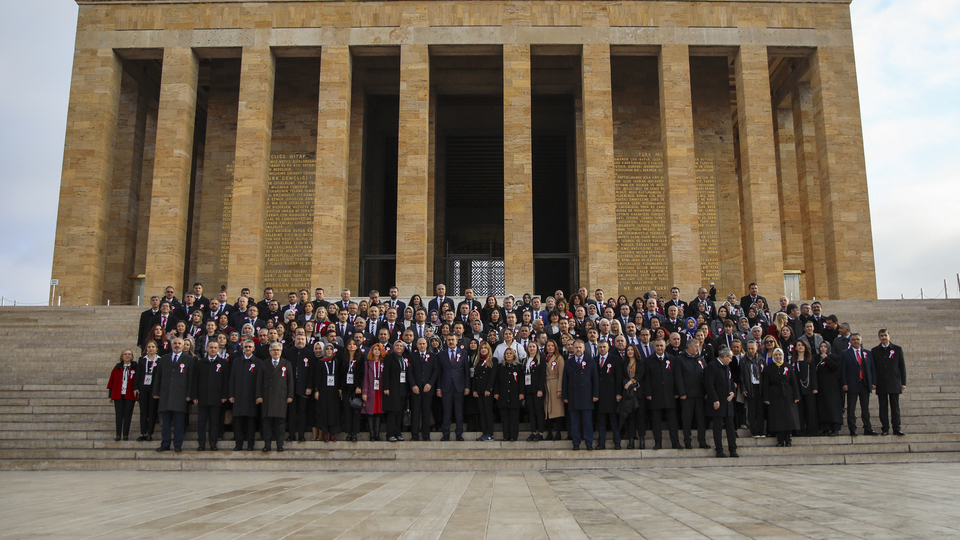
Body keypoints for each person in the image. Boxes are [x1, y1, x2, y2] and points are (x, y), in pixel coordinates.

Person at [152, 337, 195, 452]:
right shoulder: (164, 359)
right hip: (166, 395)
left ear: (183, 346)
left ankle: (177, 445)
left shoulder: (189, 359)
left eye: (179, 343)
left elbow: (191, 378)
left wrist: (189, 394)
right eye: (175, 343)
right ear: (171, 345)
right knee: (165, 423)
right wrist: (156, 392)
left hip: (180, 395)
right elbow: (158, 376)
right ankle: (165, 444)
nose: (177, 345)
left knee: (179, 423)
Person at [644, 338, 685, 450]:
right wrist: (648, 393)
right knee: (656, 421)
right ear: (654, 347)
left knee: (672, 421)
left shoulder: (672, 359)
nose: (659, 348)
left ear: (665, 346)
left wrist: (677, 392)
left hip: (670, 394)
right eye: (657, 346)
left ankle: (675, 443)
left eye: (661, 345)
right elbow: (647, 378)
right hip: (655, 394)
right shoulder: (648, 361)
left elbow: (677, 377)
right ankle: (658, 443)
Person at [562, 340, 599, 451]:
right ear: (573, 348)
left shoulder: (591, 361)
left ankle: (589, 443)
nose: (578, 349)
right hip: (573, 395)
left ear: (584, 348)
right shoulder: (568, 362)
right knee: (574, 422)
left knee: (587, 422)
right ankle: (576, 442)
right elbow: (565, 380)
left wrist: (595, 394)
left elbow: (595, 379)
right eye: (576, 347)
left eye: (580, 347)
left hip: (587, 395)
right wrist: (565, 396)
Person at [192, 341, 228, 451]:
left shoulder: (223, 363)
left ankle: (213, 443)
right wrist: (195, 396)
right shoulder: (200, 363)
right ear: (207, 349)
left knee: (214, 422)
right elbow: (195, 380)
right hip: (202, 397)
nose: (213, 349)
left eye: (215, 348)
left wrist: (224, 395)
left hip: (216, 398)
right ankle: (201, 443)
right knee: (201, 422)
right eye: (211, 347)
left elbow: (226, 381)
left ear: (218, 350)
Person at [871, 329, 907, 436]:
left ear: (889, 336)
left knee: (895, 407)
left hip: (894, 382)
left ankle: (897, 428)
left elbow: (902, 367)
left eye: (885, 335)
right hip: (881, 382)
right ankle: (885, 428)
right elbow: (873, 368)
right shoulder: (875, 351)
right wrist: (874, 382)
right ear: (879, 337)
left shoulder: (897, 349)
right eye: (881, 336)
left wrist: (903, 382)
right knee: (883, 407)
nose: (884, 337)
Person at [841, 332, 877, 436]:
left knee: (865, 407)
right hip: (852, 383)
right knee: (851, 408)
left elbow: (872, 368)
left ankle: (868, 428)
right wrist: (844, 383)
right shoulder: (845, 353)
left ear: (861, 341)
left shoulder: (867, 353)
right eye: (853, 339)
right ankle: (852, 429)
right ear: (850, 342)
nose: (856, 341)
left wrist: (873, 382)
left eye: (857, 339)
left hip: (864, 383)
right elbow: (843, 370)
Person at [259, 342, 294, 452]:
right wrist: (259, 396)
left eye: (278, 350)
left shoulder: (286, 363)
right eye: (274, 350)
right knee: (267, 423)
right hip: (267, 397)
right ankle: (267, 445)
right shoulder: (264, 364)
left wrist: (290, 395)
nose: (276, 352)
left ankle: (279, 445)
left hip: (281, 397)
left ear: (281, 351)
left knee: (280, 424)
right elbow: (259, 381)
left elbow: (290, 381)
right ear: (270, 352)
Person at [762, 348, 800, 447]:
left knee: (788, 416)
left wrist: (796, 395)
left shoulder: (788, 367)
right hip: (775, 394)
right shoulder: (769, 368)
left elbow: (794, 382)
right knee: (777, 417)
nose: (778, 357)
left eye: (779, 355)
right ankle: (780, 439)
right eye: (776, 355)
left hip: (788, 393)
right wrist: (766, 397)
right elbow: (766, 384)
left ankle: (788, 439)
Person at [705, 347, 739, 458]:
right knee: (718, 428)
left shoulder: (727, 367)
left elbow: (731, 381)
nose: (731, 360)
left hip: (728, 402)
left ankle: (732, 449)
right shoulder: (712, 366)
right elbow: (709, 384)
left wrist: (733, 392)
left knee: (730, 427)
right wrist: (715, 399)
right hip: (718, 402)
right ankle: (719, 450)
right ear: (724, 356)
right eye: (730, 358)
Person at [229, 340, 261, 451]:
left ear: (253, 348)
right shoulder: (236, 362)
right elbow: (232, 379)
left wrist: (258, 396)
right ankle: (239, 444)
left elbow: (259, 381)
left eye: (250, 347)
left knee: (251, 423)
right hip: (238, 396)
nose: (247, 348)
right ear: (242, 348)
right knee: (238, 422)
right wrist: (231, 394)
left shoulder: (258, 362)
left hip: (251, 397)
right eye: (246, 346)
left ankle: (250, 444)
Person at [677, 339, 709, 450]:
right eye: (695, 346)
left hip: (700, 394)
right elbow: (678, 377)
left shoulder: (700, 359)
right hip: (687, 395)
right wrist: (682, 392)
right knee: (687, 419)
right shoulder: (680, 359)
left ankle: (702, 441)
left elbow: (705, 375)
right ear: (689, 347)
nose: (697, 349)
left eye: (698, 347)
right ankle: (687, 441)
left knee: (701, 419)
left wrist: (706, 391)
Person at [438, 334, 470, 441]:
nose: (451, 342)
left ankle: (459, 433)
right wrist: (438, 388)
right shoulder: (441, 354)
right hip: (446, 387)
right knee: (446, 411)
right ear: (446, 341)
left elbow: (466, 371)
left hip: (459, 387)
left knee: (459, 411)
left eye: (453, 340)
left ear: (457, 341)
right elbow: (439, 372)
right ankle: (446, 434)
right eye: (449, 340)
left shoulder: (463, 353)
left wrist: (467, 386)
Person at [594, 340, 623, 450]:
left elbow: (619, 377)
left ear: (608, 348)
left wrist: (618, 393)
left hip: (612, 395)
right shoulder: (594, 360)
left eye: (604, 347)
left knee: (614, 420)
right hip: (600, 395)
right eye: (600, 347)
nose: (602, 349)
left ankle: (617, 442)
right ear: (597, 348)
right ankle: (601, 443)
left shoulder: (615, 359)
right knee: (601, 421)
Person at [407, 337, 438, 441]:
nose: (422, 345)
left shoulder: (432, 356)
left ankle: (426, 436)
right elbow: (410, 371)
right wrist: (413, 385)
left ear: (427, 345)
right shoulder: (412, 356)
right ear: (417, 345)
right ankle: (414, 435)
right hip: (416, 389)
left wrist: (430, 384)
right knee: (415, 413)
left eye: (423, 343)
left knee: (426, 413)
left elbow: (435, 371)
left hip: (427, 389)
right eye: (420, 344)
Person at [287, 334, 316, 442]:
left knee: (302, 412)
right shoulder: (288, 353)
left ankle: (301, 435)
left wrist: (309, 387)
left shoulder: (310, 353)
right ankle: (291, 434)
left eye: (302, 339)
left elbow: (311, 372)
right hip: (291, 388)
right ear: (294, 340)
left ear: (305, 341)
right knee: (291, 412)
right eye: (298, 339)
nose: (300, 341)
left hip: (304, 388)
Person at [107, 349, 138, 441]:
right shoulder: (117, 368)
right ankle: (118, 434)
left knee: (128, 415)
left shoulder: (135, 368)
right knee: (119, 415)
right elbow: (111, 381)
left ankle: (125, 434)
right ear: (122, 356)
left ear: (132, 356)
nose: (127, 356)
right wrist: (110, 395)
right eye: (125, 354)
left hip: (129, 394)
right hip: (118, 394)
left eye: (129, 354)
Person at [381, 340, 409, 442]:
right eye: (397, 345)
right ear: (393, 347)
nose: (399, 347)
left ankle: (398, 433)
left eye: (401, 346)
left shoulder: (405, 358)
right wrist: (386, 387)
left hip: (403, 388)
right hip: (393, 389)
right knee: (392, 412)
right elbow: (386, 373)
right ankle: (390, 434)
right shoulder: (389, 357)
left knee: (399, 412)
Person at [494, 347, 524, 441]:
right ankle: (506, 436)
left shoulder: (518, 367)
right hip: (503, 395)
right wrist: (496, 392)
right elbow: (497, 381)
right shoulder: (500, 367)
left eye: (510, 353)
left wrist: (521, 393)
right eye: (507, 353)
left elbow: (521, 381)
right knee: (504, 418)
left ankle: (513, 436)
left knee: (514, 418)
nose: (508, 355)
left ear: (514, 355)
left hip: (514, 395)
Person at [619, 344, 646, 449]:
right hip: (628, 395)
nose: (630, 351)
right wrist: (628, 385)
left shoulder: (641, 363)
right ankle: (631, 440)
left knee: (641, 417)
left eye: (632, 350)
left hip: (639, 394)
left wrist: (631, 383)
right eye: (628, 350)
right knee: (630, 418)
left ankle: (642, 439)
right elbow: (622, 377)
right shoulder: (624, 364)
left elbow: (640, 375)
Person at [314, 343, 342, 442]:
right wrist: (317, 390)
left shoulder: (336, 362)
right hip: (323, 390)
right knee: (324, 411)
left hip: (333, 390)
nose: (329, 351)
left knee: (333, 411)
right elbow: (317, 377)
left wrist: (340, 388)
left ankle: (332, 433)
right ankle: (325, 433)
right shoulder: (320, 362)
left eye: (331, 349)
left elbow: (339, 376)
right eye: (327, 349)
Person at [339, 339, 365, 442]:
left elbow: (362, 373)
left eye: (354, 344)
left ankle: (355, 433)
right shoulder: (343, 357)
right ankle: (348, 432)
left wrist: (359, 386)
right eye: (349, 344)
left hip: (356, 388)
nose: (351, 346)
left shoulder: (360, 358)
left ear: (357, 346)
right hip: (346, 387)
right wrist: (340, 387)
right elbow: (340, 373)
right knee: (347, 410)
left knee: (356, 410)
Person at [815, 341, 843, 436]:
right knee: (823, 407)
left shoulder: (834, 357)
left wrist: (826, 358)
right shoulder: (817, 358)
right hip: (821, 386)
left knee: (832, 407)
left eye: (825, 346)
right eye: (821, 346)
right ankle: (825, 428)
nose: (823, 348)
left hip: (831, 386)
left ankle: (835, 428)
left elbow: (836, 367)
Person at [135, 341, 161, 442]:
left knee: (152, 412)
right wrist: (135, 387)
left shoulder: (160, 360)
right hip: (143, 388)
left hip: (154, 388)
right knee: (143, 411)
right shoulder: (142, 359)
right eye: (149, 347)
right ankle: (143, 433)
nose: (151, 349)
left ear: (156, 348)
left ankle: (150, 433)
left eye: (153, 347)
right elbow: (138, 374)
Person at [471, 341, 496, 441]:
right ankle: (484, 432)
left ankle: (490, 433)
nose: (483, 350)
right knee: (482, 412)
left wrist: (488, 389)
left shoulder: (492, 360)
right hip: (479, 390)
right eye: (481, 348)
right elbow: (475, 376)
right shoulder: (478, 361)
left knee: (488, 412)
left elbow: (492, 376)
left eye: (485, 348)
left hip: (487, 391)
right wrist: (474, 390)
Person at [739, 339, 765, 438]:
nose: (750, 351)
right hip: (750, 386)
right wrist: (743, 388)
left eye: (752, 348)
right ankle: (754, 431)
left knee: (760, 409)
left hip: (760, 386)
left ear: (756, 348)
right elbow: (741, 376)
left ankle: (761, 430)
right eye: (749, 349)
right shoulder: (743, 360)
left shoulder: (761, 359)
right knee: (752, 410)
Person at [793, 339, 819, 437]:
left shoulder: (810, 359)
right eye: (798, 345)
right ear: (796, 348)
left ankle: (811, 430)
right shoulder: (793, 360)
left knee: (810, 409)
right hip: (798, 388)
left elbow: (813, 373)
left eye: (802, 345)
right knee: (799, 410)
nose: (800, 347)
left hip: (808, 387)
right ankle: (800, 430)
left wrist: (814, 387)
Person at [362, 343, 386, 441]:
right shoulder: (367, 364)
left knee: (378, 412)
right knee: (370, 412)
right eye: (375, 349)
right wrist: (364, 392)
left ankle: (377, 433)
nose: (377, 351)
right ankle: (371, 433)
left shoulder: (383, 363)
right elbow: (365, 379)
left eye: (378, 349)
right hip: (371, 390)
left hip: (380, 390)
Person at [523, 341, 546, 441]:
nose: (532, 348)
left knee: (538, 411)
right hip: (528, 389)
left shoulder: (541, 359)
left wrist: (540, 389)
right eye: (530, 347)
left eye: (533, 346)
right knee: (531, 411)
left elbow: (542, 375)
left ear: (537, 349)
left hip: (537, 389)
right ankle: (533, 432)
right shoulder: (525, 360)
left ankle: (540, 432)